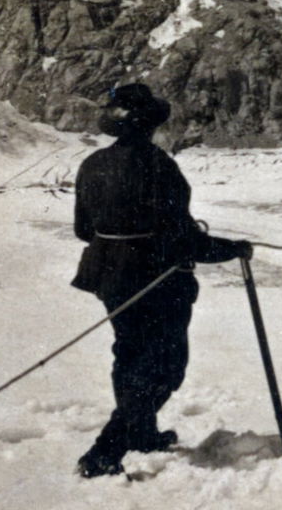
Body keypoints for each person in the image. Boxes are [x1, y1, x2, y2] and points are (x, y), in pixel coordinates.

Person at [70, 83, 251, 478]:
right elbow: (184, 240)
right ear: (149, 124)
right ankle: (105, 450)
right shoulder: (158, 166)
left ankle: (142, 433)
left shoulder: (92, 164)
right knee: (164, 368)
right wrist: (232, 249)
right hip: (156, 281)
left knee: (130, 354)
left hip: (109, 277)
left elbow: (84, 230)